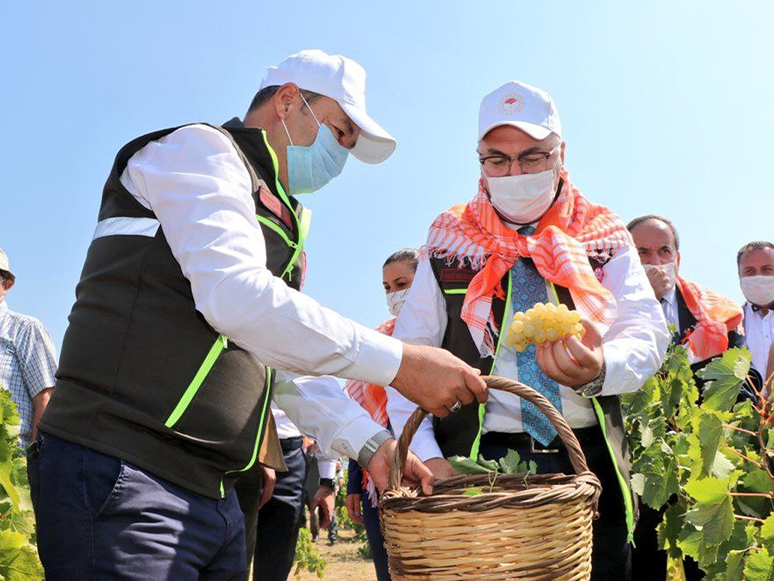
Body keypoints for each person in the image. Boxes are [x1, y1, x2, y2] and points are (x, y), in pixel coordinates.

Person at [31, 50, 488, 581]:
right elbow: (236, 298)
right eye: (339, 133)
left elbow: (281, 366)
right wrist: (401, 361)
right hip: (125, 468)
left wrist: (371, 443)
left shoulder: (280, 218)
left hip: (214, 489)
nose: (340, 155)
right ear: (289, 100)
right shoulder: (199, 152)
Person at [386, 81, 670, 581]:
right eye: (497, 160)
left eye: (533, 157)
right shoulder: (449, 241)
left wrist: (603, 367)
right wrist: (429, 458)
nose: (515, 173)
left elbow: (646, 331)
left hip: (587, 459)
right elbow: (409, 358)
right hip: (480, 463)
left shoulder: (603, 236)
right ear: (479, 163)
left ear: (562, 155)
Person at [627, 215, 754, 581]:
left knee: (707, 562)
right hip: (639, 465)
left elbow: (744, 375)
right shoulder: (605, 310)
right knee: (643, 561)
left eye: (663, 250)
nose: (655, 261)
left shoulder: (716, 310)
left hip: (703, 458)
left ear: (677, 258)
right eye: (643, 252)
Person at [345, 247, 419, 581]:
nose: (393, 294)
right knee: (388, 568)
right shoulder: (377, 341)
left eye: (401, 284)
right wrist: (353, 484)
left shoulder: (446, 335)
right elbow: (362, 417)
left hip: (427, 469)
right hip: (378, 474)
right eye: (387, 288)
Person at [246, 405, 337, 581]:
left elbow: (324, 409)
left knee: (275, 566)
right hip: (241, 452)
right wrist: (261, 452)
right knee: (229, 562)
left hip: (289, 459)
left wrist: (327, 481)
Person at [0, 247, 57, 451]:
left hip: (11, 469)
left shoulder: (25, 330)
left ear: (6, 284)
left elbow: (45, 399)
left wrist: (32, 464)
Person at [738, 241, 774, 384]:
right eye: (750, 271)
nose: (758, 277)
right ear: (739, 276)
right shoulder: (730, 325)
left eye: (767, 269)